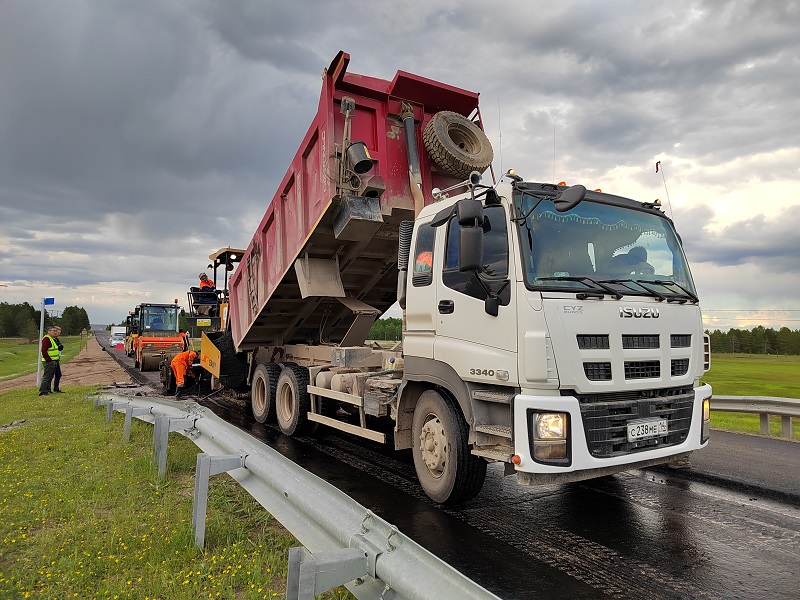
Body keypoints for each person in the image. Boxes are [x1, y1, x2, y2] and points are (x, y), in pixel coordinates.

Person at [38, 326, 61, 396]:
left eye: (55, 331)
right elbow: (44, 350)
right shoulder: (47, 339)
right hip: (49, 361)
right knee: (47, 377)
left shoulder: (52, 339)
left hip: (54, 360)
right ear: (49, 331)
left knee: (50, 376)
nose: (55, 332)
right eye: (53, 331)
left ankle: (48, 390)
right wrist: (49, 360)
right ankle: (43, 391)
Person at [52, 326, 65, 393]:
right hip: (52, 359)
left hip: (56, 358)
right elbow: (59, 347)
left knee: (58, 374)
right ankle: (47, 389)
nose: (58, 334)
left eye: (59, 333)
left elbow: (60, 347)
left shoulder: (56, 339)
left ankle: (56, 389)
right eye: (58, 332)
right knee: (50, 375)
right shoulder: (52, 339)